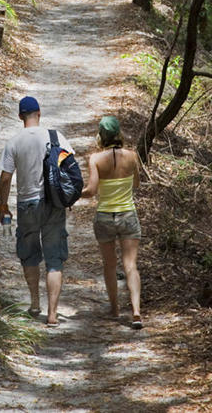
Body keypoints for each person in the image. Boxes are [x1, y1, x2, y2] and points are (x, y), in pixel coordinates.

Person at [0, 95, 72, 326]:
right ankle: (52, 314)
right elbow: (70, 167)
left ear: (20, 116)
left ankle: (34, 303)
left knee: (29, 254)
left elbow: (6, 177)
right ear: (39, 113)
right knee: (54, 259)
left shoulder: (13, 142)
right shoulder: (55, 136)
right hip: (52, 203)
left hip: (26, 204)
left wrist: (3, 205)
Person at [81, 115, 143, 329]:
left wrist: (72, 194)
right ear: (119, 134)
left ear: (101, 136)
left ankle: (115, 310)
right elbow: (136, 184)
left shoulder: (95, 159)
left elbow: (91, 191)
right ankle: (136, 311)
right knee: (130, 265)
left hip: (105, 216)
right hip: (128, 215)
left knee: (110, 265)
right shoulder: (133, 156)